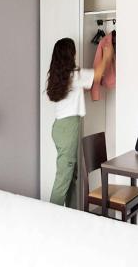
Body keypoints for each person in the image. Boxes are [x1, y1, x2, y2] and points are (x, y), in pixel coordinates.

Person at [46, 37, 114, 208]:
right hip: (68, 129)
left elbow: (74, 94)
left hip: (61, 128)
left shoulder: (61, 76)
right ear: (71, 54)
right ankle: (49, 216)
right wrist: (107, 55)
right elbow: (98, 75)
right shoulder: (75, 75)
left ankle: (72, 214)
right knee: (64, 177)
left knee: (71, 174)